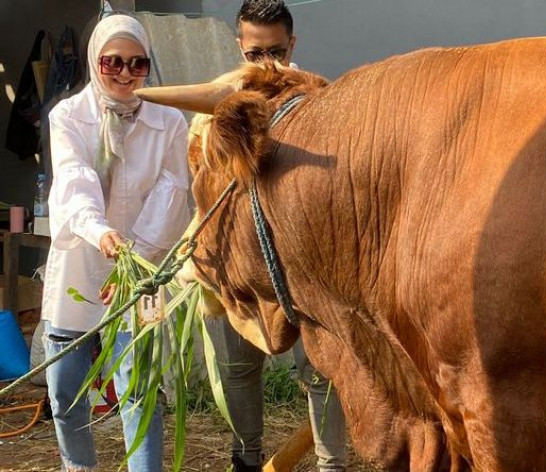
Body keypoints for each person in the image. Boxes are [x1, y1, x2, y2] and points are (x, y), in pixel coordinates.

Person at [41, 13, 191, 472]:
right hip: (80, 262)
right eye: (113, 62)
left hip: (138, 271)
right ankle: (79, 466)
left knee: (140, 387)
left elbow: (173, 194)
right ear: (94, 62)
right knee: (65, 387)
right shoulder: (68, 116)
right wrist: (100, 232)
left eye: (137, 63)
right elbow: (74, 178)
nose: (125, 74)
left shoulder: (170, 122)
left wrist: (136, 256)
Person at [203, 2, 348, 472]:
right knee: (239, 365)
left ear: (294, 45)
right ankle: (245, 456)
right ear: (238, 47)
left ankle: (332, 465)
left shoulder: (322, 103)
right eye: (255, 52)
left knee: (323, 368)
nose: (267, 64)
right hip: (241, 256)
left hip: (308, 261)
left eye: (278, 52)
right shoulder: (214, 110)